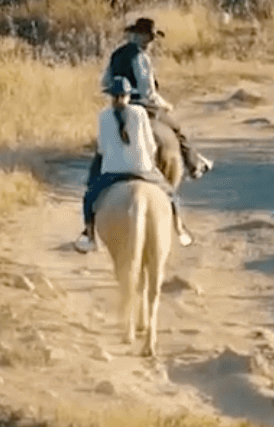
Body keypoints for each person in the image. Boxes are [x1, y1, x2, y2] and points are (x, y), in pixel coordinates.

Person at [75, 17, 209, 253]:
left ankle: (88, 228)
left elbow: (105, 81)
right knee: (176, 130)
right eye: (149, 36)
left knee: (95, 173)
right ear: (138, 35)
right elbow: (148, 92)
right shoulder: (141, 57)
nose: (150, 41)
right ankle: (193, 165)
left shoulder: (116, 55)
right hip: (145, 106)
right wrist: (165, 105)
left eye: (151, 37)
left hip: (117, 116)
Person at [77, 77, 179, 251]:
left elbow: (102, 148)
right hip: (141, 169)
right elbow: (151, 145)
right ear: (129, 96)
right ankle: (179, 229)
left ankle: (90, 236)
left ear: (111, 96)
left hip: (112, 172)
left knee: (89, 198)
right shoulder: (140, 112)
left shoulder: (103, 115)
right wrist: (148, 162)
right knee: (171, 194)